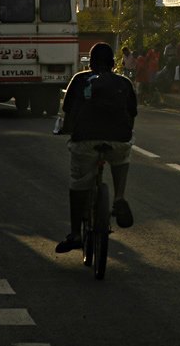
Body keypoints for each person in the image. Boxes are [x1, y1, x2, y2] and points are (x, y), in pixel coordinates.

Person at [55, 42, 138, 253]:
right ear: (113, 63)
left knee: (79, 183)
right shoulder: (125, 82)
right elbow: (131, 116)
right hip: (118, 139)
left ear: (90, 63)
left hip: (86, 140)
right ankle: (119, 197)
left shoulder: (79, 80)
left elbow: (68, 117)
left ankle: (75, 234)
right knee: (122, 158)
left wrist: (67, 130)